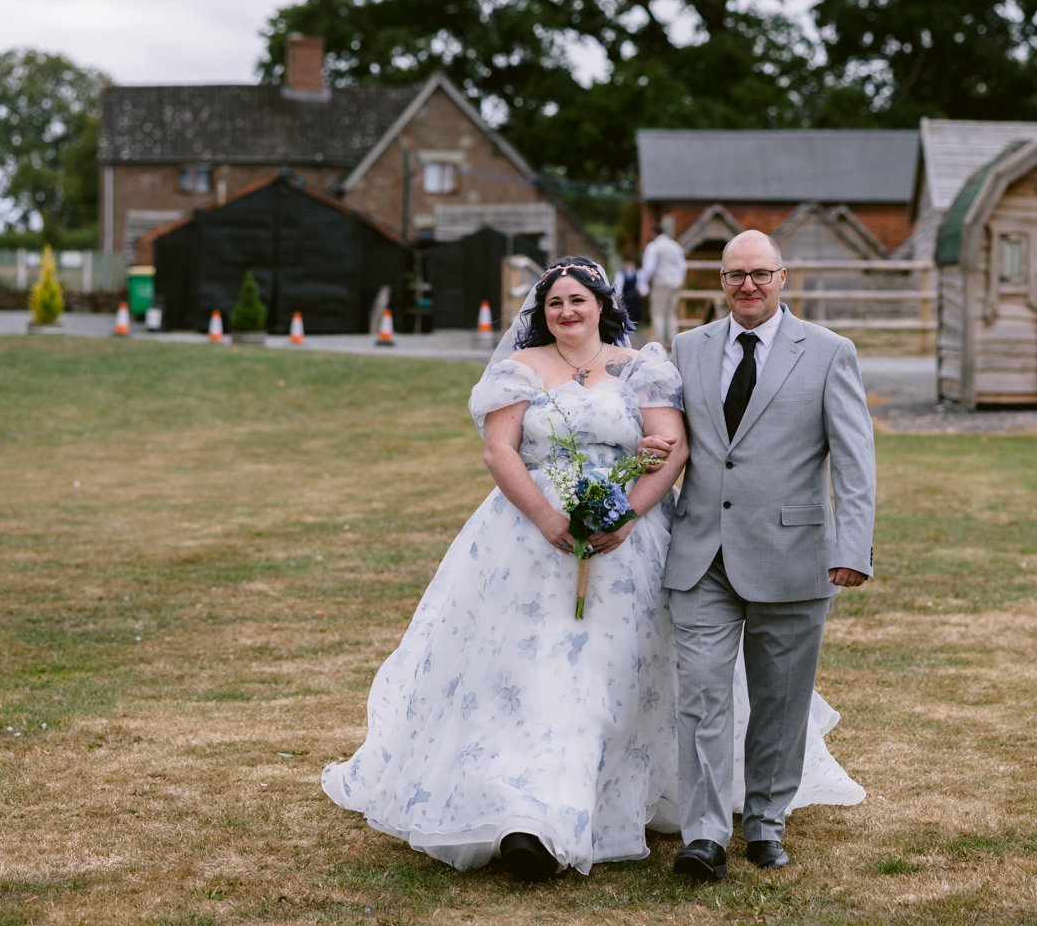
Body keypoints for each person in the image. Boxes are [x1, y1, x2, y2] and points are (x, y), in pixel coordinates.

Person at [323, 255, 865, 881]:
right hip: (528, 545)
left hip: (629, 549)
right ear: (541, 312)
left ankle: (637, 803)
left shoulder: (641, 368)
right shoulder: (519, 370)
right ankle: (526, 816)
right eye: (554, 303)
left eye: (578, 300)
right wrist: (548, 520)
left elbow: (673, 445)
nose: (566, 312)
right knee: (531, 673)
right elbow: (500, 451)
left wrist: (628, 514)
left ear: (602, 306)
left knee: (616, 677)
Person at [660, 229, 876, 880]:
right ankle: (702, 834)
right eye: (734, 275)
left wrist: (853, 545)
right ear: (719, 282)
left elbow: (855, 457)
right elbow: (673, 439)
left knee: (781, 700)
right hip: (702, 554)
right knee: (700, 693)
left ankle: (765, 820)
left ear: (784, 277)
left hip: (795, 551)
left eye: (760, 273)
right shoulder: (687, 349)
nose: (747, 285)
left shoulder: (830, 352)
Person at [640, 227, 686, 348]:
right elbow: (683, 266)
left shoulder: (654, 246)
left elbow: (649, 267)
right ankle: (673, 341)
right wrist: (680, 280)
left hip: (661, 282)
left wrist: (643, 284)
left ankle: (659, 343)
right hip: (675, 282)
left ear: (653, 233)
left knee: (658, 312)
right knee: (671, 312)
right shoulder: (675, 246)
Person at [619, 257, 648, 331]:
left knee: (637, 313)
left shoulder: (638, 274)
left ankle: (637, 328)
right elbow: (619, 287)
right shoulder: (621, 275)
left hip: (636, 299)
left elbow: (642, 287)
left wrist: (643, 293)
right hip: (626, 299)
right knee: (627, 313)